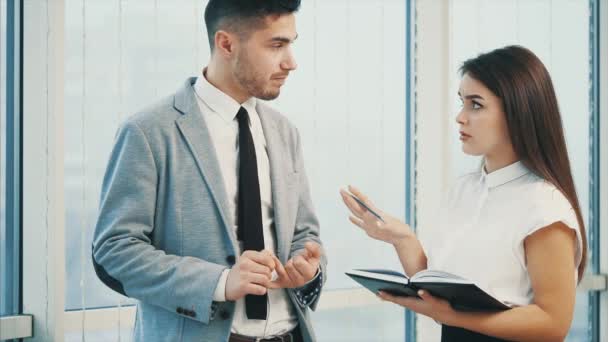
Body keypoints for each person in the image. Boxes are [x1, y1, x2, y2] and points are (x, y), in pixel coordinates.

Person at [92, 1, 326, 341]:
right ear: (226, 44)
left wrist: (310, 270)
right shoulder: (148, 132)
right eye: (276, 45)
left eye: (291, 43)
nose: (291, 62)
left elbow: (306, 233)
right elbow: (114, 251)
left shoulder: (284, 132)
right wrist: (219, 282)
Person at [340, 45, 586, 342]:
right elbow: (442, 292)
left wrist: (453, 317)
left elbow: (552, 323)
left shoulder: (544, 207)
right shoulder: (464, 190)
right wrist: (402, 238)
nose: (460, 117)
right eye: (462, 102)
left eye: (476, 105)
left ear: (517, 111)